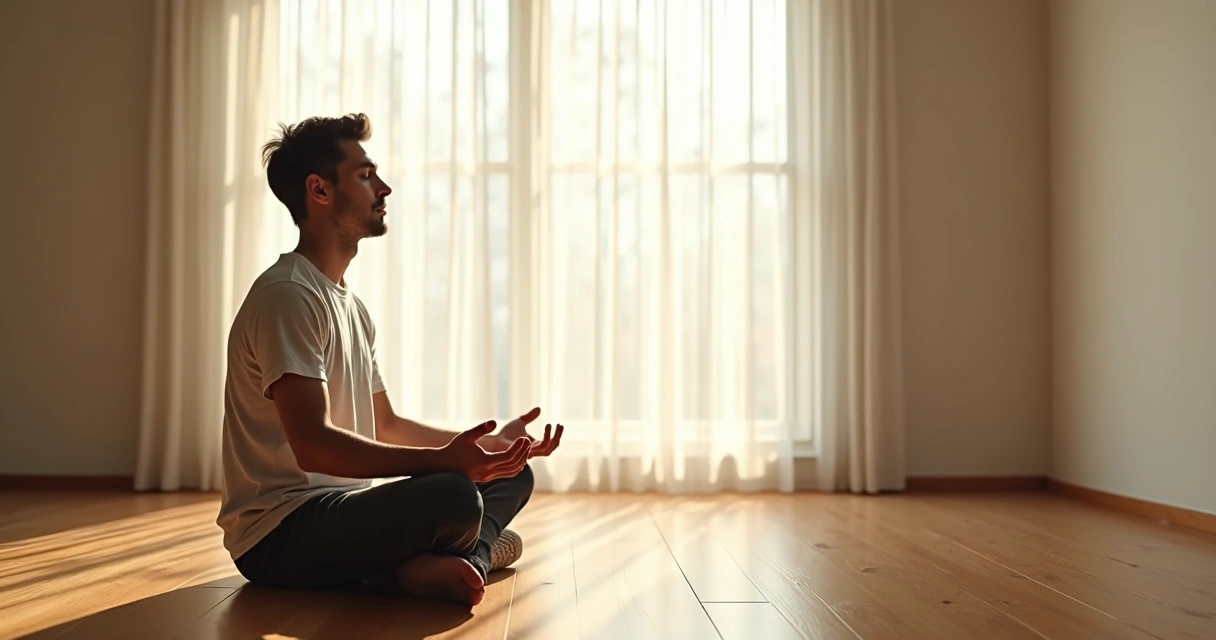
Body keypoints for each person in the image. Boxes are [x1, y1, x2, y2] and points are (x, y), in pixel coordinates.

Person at [215, 113, 563, 606]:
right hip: (280, 535)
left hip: (344, 512)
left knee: (512, 475)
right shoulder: (287, 296)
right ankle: (431, 564)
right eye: (365, 175)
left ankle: (451, 560)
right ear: (319, 190)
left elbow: (385, 424)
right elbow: (312, 446)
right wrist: (448, 463)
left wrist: (486, 448)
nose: (384, 188)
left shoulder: (351, 307)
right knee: (455, 496)